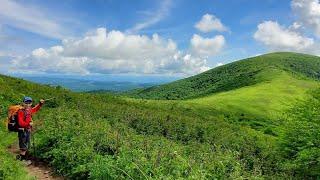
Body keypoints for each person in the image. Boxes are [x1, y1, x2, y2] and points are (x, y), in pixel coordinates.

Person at [16, 96, 45, 163]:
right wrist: (29, 124)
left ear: (31, 103)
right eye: (26, 102)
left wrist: (40, 104)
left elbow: (35, 109)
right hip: (22, 130)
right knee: (23, 145)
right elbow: (20, 123)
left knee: (26, 144)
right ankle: (22, 160)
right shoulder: (20, 111)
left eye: (29, 102)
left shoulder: (29, 109)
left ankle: (22, 158)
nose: (28, 104)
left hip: (28, 130)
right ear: (23, 103)